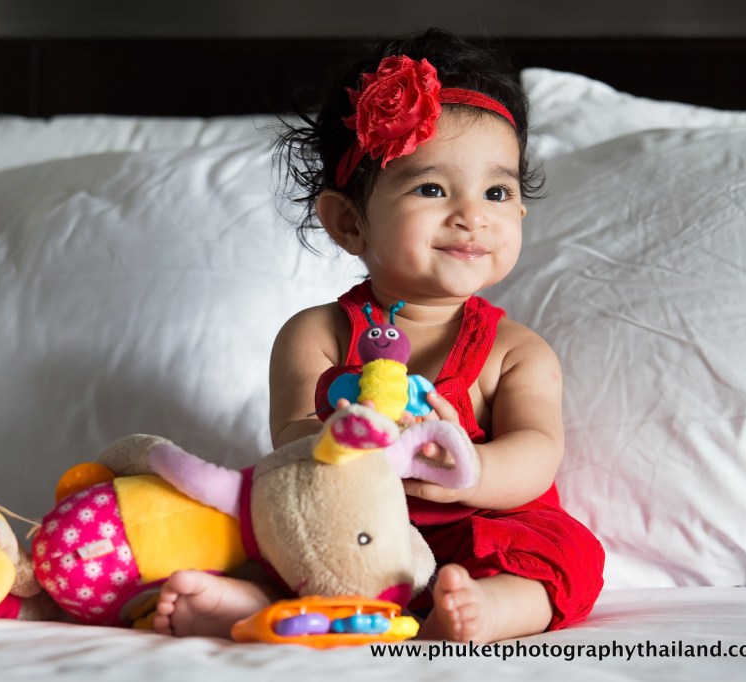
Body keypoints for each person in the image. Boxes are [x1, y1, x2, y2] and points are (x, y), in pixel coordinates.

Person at [153, 28, 604, 643]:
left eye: (497, 192)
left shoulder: (515, 352)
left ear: (519, 213)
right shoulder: (316, 334)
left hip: (477, 527)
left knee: (566, 555)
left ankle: (488, 608)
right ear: (349, 223)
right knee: (271, 525)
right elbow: (292, 441)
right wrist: (357, 435)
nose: (472, 214)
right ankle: (248, 603)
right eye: (431, 188)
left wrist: (470, 470)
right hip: (351, 524)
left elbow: (537, 450)